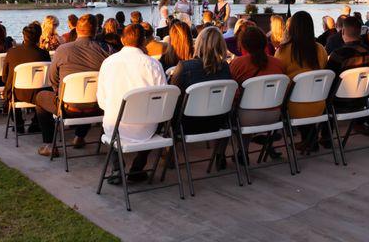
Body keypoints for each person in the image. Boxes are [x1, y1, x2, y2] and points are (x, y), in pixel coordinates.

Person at [98, 23, 167, 182]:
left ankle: (117, 168)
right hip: (146, 128)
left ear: (122, 40)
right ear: (144, 41)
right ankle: (138, 167)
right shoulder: (153, 65)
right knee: (159, 120)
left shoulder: (108, 63)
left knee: (110, 120)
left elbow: (102, 101)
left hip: (115, 125)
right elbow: (162, 102)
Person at [35, 14, 109, 157]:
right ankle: (79, 137)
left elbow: (52, 79)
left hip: (68, 107)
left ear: (77, 29)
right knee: (88, 94)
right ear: (96, 31)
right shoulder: (106, 51)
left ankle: (50, 145)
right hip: (99, 107)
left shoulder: (63, 50)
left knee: (40, 97)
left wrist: (59, 92)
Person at [275, 11, 328, 151]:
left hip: (294, 106)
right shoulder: (320, 49)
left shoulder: (283, 51)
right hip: (319, 104)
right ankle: (310, 139)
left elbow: (278, 77)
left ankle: (308, 140)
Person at [230, 26, 285, 154]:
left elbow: (232, 93)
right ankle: (268, 143)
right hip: (274, 115)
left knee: (234, 108)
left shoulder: (237, 64)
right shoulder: (279, 64)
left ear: (243, 44)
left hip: (247, 117)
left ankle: (240, 152)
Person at [171, 26, 231, 135]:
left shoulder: (185, 67)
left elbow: (173, 96)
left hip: (187, 124)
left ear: (198, 43)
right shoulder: (225, 67)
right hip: (217, 122)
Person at [2, 23, 50, 133]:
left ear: (24, 36)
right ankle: (36, 123)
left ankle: (18, 123)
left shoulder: (12, 52)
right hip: (39, 93)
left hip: (17, 94)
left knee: (9, 91)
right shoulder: (44, 54)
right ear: (39, 37)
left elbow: (4, 77)